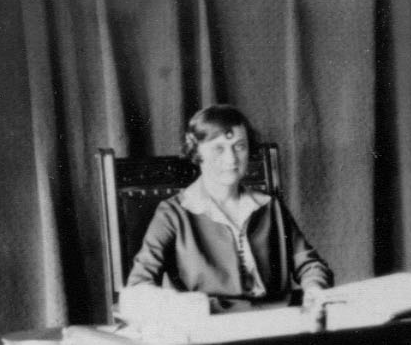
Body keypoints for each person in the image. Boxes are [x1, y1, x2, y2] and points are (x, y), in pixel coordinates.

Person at [125, 105, 332, 309]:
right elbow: (139, 285)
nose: (231, 158)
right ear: (197, 153)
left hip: (273, 319)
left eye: (239, 146)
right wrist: (180, 305)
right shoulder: (172, 214)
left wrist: (314, 287)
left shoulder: (269, 207)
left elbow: (308, 263)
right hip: (210, 327)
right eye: (218, 148)